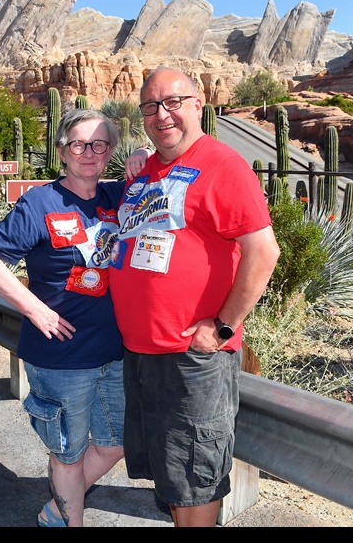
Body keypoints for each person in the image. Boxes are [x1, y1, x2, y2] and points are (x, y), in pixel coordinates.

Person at [108, 67, 280, 527]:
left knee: (194, 479)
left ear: (198, 104)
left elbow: (264, 252)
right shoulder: (146, 171)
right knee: (173, 479)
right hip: (142, 353)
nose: (162, 114)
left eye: (173, 102)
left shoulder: (224, 165)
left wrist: (222, 326)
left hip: (191, 357)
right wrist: (141, 156)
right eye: (150, 106)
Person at [0, 109, 150, 527]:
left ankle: (57, 509)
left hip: (113, 351)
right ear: (62, 151)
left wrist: (143, 150)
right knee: (67, 454)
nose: (89, 153)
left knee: (116, 443)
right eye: (78, 144)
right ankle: (70, 519)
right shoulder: (40, 203)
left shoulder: (117, 197)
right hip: (60, 357)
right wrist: (34, 308)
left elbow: (159, 171)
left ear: (110, 152)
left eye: (99, 144)